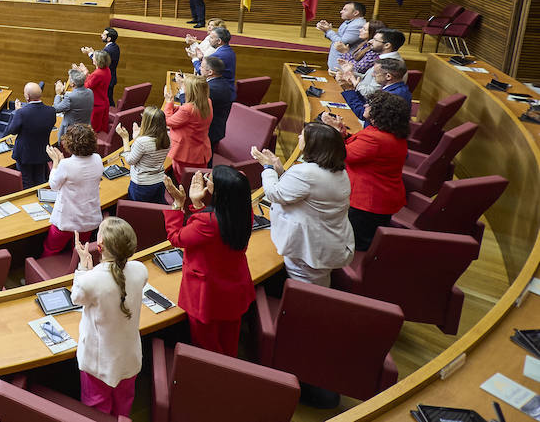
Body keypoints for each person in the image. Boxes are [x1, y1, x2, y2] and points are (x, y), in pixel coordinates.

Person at [162, 167, 254, 356]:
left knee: (207, 347)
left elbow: (176, 237)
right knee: (229, 343)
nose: (205, 180)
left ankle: (214, 380)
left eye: (209, 179)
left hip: (207, 294)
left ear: (219, 191)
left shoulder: (207, 223)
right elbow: (216, 230)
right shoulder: (244, 211)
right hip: (234, 286)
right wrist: (197, 204)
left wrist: (178, 205)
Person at [252, 121, 353, 285]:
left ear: (313, 145)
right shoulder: (338, 170)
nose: (299, 136)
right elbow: (302, 192)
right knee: (319, 282)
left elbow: (274, 194)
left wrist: (268, 168)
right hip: (328, 243)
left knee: (308, 290)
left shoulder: (306, 173)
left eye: (303, 135)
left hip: (310, 250)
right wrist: (280, 169)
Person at [70, 217, 147, 417]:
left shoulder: (91, 280)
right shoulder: (140, 270)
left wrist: (83, 268)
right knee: (124, 405)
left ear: (100, 245)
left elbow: (76, 297)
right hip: (129, 359)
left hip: (98, 363)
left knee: (97, 411)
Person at [323, 90, 409, 251]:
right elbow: (359, 147)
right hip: (381, 196)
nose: (365, 105)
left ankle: (350, 272)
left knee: (354, 244)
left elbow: (343, 155)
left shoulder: (376, 139)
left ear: (379, 112)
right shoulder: (387, 132)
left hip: (368, 201)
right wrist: (343, 134)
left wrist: (332, 132)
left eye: (369, 104)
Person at [43, 124, 104, 255]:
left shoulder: (65, 165)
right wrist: (62, 162)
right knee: (79, 252)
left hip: (66, 220)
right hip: (88, 220)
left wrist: (56, 162)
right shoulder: (97, 159)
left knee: (51, 249)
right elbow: (77, 172)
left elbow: (54, 185)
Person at [4, 82, 54, 187]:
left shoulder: (21, 113)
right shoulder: (51, 111)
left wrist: (16, 112)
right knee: (40, 180)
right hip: (42, 152)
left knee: (26, 182)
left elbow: (12, 131)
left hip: (24, 155)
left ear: (27, 96)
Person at [117, 106, 171, 204]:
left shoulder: (142, 142)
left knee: (138, 211)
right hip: (159, 181)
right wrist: (138, 137)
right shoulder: (167, 138)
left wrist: (125, 138)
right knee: (153, 210)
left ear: (147, 123)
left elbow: (129, 161)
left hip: (142, 185)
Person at [164, 73, 212, 172]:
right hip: (200, 152)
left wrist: (169, 102)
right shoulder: (207, 101)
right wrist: (174, 107)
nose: (182, 88)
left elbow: (167, 121)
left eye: (184, 86)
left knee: (183, 182)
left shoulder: (188, 109)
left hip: (186, 153)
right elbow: (188, 113)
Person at [341, 57, 411, 120]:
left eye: (375, 72)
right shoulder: (397, 88)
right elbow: (367, 102)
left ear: (388, 76)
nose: (373, 75)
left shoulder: (392, 96)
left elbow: (364, 114)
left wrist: (349, 90)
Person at [344, 28, 407, 97]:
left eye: (375, 40)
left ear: (387, 45)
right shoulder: (383, 59)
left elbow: (371, 93)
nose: (370, 42)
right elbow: (368, 79)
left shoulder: (390, 65)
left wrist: (354, 82)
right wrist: (351, 73)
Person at [195, 56, 235, 144]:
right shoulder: (220, 82)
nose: (199, 68)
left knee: (206, 157)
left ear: (210, 72)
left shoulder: (212, 88)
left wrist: (183, 92)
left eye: (202, 67)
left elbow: (194, 107)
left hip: (209, 133)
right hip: (214, 128)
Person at [316, 1, 368, 68]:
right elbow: (337, 37)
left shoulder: (358, 25)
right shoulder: (349, 22)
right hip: (337, 63)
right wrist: (327, 30)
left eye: (345, 10)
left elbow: (341, 42)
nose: (341, 11)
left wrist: (328, 31)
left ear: (356, 13)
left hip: (342, 65)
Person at [75, 48, 112, 133]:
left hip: (96, 104)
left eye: (94, 57)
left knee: (94, 131)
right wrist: (86, 73)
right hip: (103, 101)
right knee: (102, 129)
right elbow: (94, 82)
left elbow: (86, 86)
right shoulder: (106, 70)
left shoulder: (98, 73)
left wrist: (83, 73)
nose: (93, 58)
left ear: (98, 60)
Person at [53, 68, 94, 136]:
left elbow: (56, 109)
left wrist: (58, 94)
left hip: (71, 132)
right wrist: (63, 94)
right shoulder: (90, 92)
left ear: (72, 84)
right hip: (85, 130)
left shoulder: (70, 97)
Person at [100, 28, 121, 105]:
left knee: (107, 100)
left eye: (103, 34)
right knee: (109, 98)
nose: (101, 35)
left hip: (107, 79)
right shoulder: (115, 46)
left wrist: (90, 54)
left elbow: (100, 63)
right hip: (112, 77)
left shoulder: (107, 50)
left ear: (109, 38)